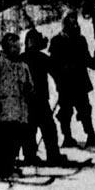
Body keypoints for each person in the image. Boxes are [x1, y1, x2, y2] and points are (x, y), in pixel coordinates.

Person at [0, 33, 33, 179]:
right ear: (6, 47)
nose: (17, 49)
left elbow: (29, 86)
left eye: (18, 46)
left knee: (14, 143)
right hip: (1, 112)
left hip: (18, 111)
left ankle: (9, 168)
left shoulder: (23, 65)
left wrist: (30, 93)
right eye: (13, 46)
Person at [49, 12, 95, 147]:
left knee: (85, 108)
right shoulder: (56, 41)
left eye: (75, 21)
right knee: (66, 112)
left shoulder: (80, 39)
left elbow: (87, 58)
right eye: (70, 21)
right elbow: (53, 65)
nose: (73, 23)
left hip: (80, 81)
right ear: (65, 23)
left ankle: (90, 135)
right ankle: (67, 137)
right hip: (65, 83)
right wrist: (59, 79)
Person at [19, 29, 69, 165]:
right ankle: (30, 156)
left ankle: (53, 155)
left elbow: (56, 72)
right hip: (26, 101)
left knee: (49, 129)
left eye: (35, 40)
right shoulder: (21, 59)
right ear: (27, 42)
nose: (33, 43)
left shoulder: (42, 57)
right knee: (29, 130)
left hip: (41, 99)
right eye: (31, 40)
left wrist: (61, 86)